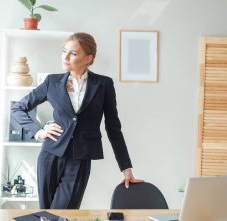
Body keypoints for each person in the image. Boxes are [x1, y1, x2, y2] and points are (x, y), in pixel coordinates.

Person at [11, 32, 143, 209]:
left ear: (88, 58)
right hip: (50, 154)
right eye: (64, 51)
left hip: (80, 159)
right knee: (47, 214)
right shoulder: (52, 82)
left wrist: (126, 167)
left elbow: (113, 128)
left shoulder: (103, 85)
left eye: (73, 53)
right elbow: (17, 108)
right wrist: (39, 131)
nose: (65, 57)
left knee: (64, 213)